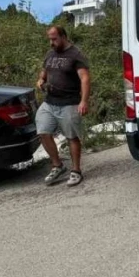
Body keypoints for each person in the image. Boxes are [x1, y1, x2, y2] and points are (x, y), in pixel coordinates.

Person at [36, 25, 91, 187]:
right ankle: (57, 165)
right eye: (50, 39)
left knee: (71, 137)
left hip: (69, 102)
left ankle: (76, 171)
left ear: (63, 36)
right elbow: (44, 71)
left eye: (54, 39)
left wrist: (84, 101)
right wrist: (41, 80)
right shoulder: (50, 53)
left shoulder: (76, 54)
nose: (51, 42)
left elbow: (85, 79)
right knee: (43, 132)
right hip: (49, 101)